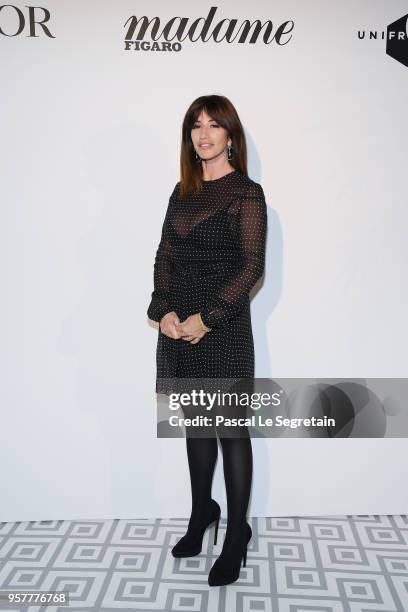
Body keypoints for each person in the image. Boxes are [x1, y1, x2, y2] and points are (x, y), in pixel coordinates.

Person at [147, 94, 267, 586]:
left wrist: (208, 318)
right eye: (196, 126)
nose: (204, 134)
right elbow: (163, 257)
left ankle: (236, 532)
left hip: (223, 328)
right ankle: (203, 515)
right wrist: (165, 310)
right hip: (180, 330)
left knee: (231, 433)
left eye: (214, 125)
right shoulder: (181, 191)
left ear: (230, 135)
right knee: (197, 429)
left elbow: (252, 267)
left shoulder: (247, 193)